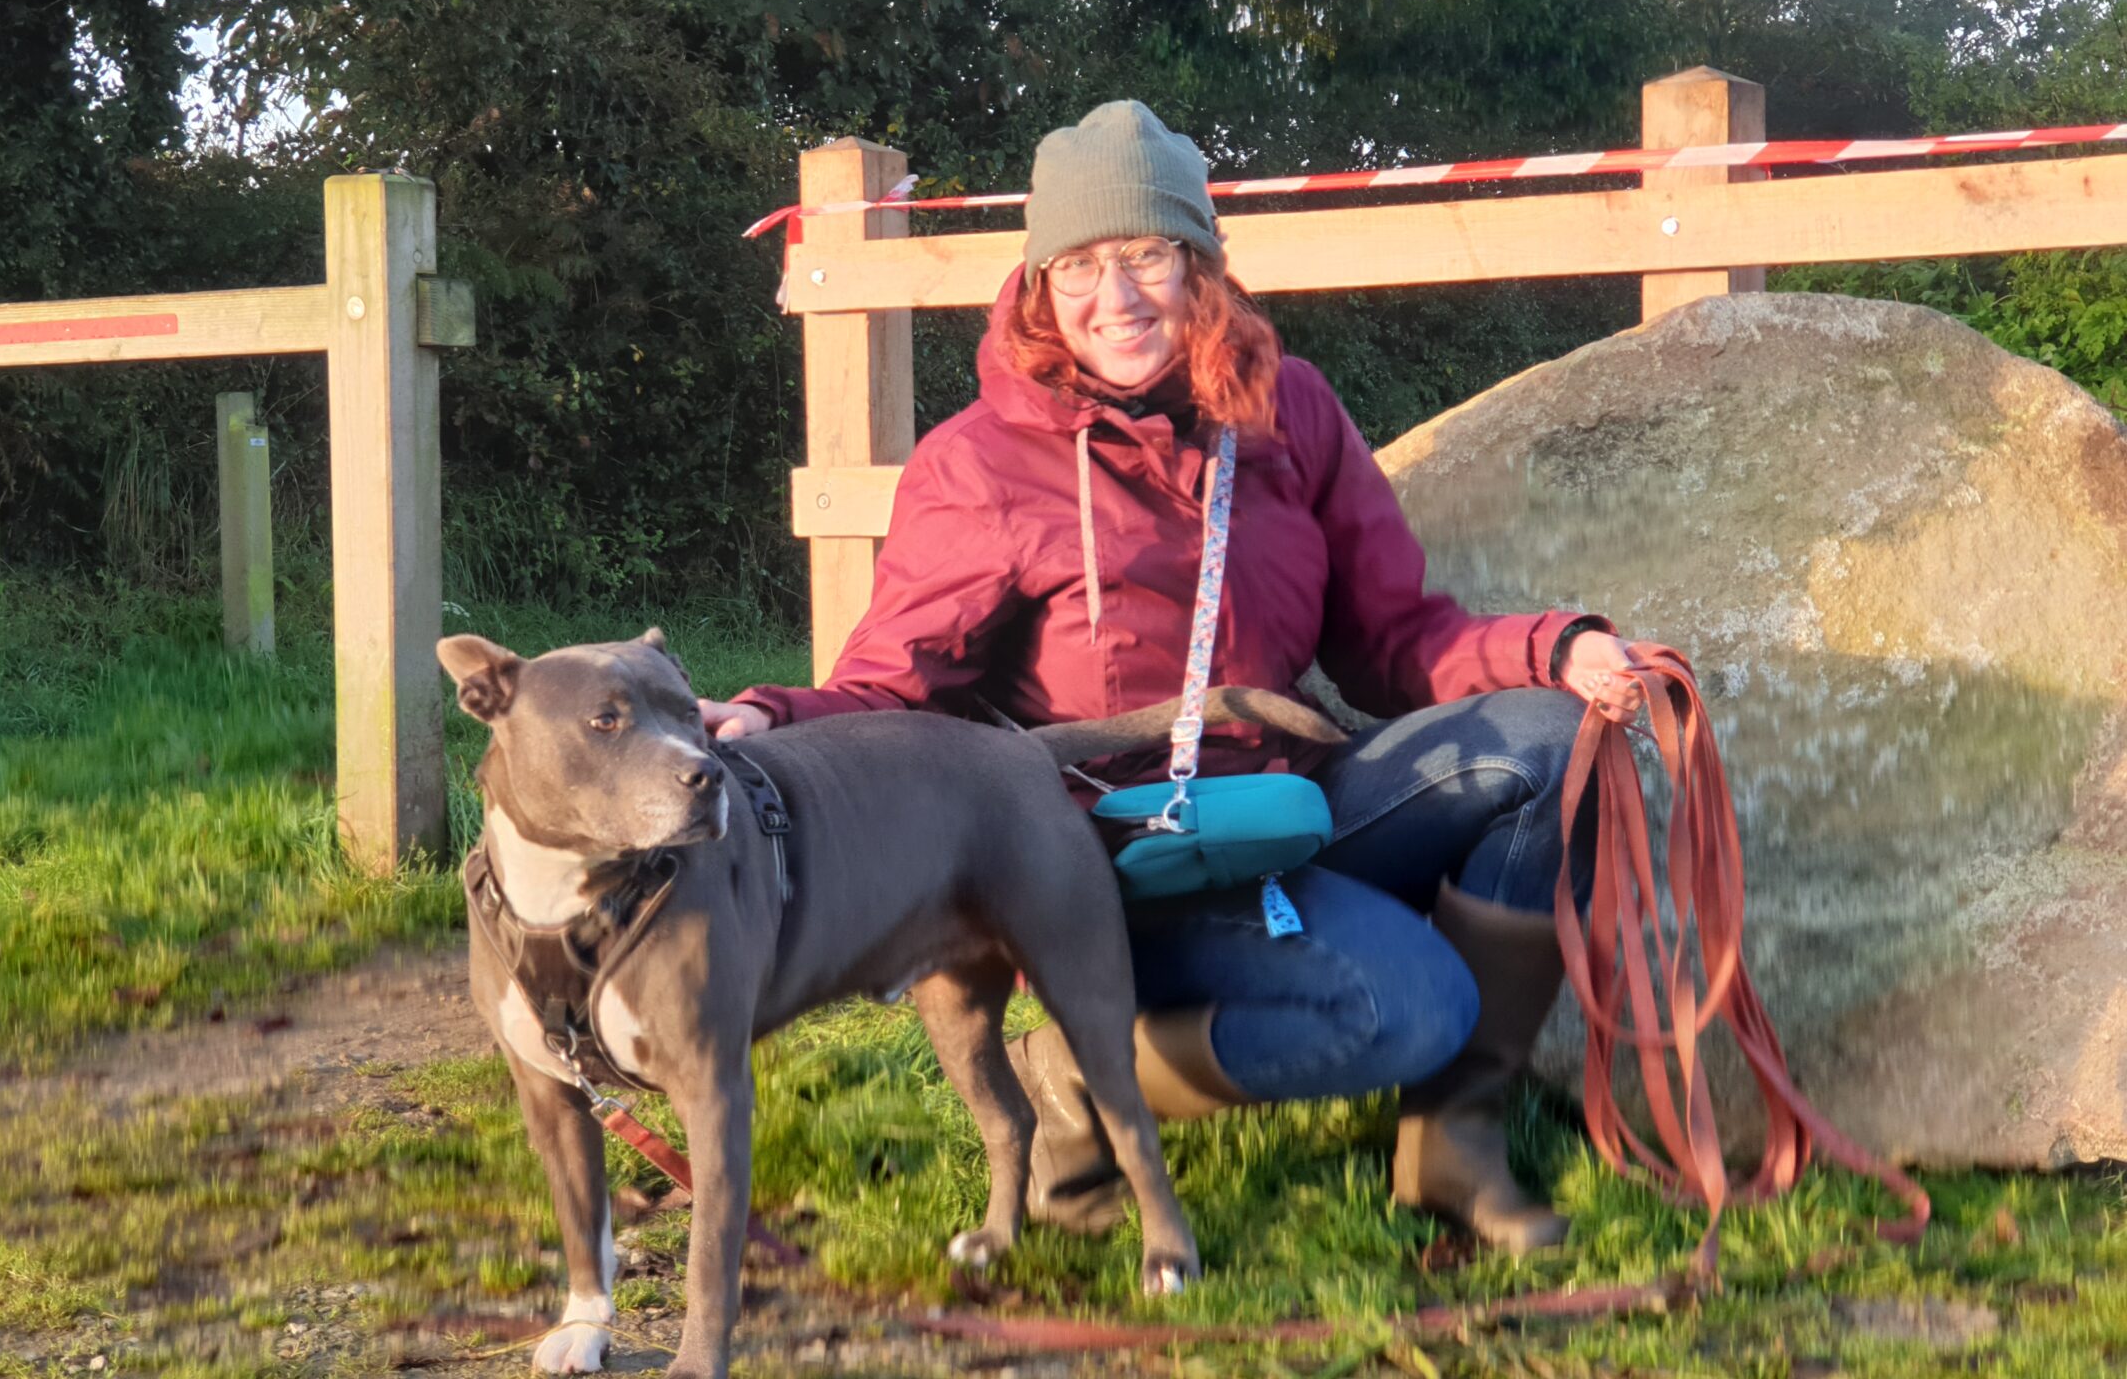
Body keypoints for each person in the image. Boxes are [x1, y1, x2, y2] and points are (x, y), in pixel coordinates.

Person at [701, 100, 1645, 1254]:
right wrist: (769, 717)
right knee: (1407, 1009)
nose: (1118, 295)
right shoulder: (978, 465)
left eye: (1147, 254)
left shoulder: (1288, 408)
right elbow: (894, 692)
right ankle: (1076, 1078)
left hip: (1279, 799)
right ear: (1041, 283)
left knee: (1544, 744)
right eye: (1083, 264)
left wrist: (1554, 650)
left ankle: (1455, 1145)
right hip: (1108, 859)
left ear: (1198, 264)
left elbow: (1392, 638)